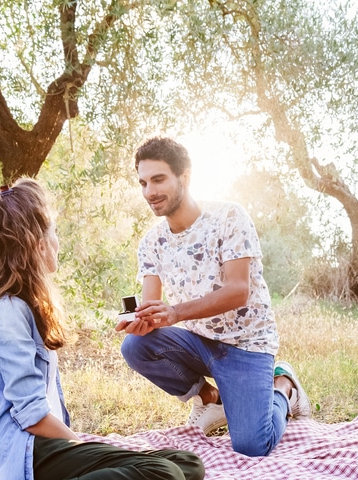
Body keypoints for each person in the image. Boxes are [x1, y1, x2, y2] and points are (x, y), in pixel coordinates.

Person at [0, 178, 204, 480]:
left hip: (37, 451)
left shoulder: (15, 304)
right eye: (53, 232)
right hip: (20, 459)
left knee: (187, 463)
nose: (58, 241)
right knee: (163, 476)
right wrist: (78, 444)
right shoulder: (2, 312)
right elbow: (33, 415)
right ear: (34, 244)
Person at [116, 136, 311, 457]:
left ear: (185, 177)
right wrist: (141, 321)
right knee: (135, 346)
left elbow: (238, 290)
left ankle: (284, 387)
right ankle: (211, 399)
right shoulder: (151, 243)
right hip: (198, 342)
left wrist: (175, 313)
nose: (149, 192)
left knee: (252, 446)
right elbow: (153, 309)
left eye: (158, 179)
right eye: (143, 182)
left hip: (247, 346)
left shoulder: (229, 218)